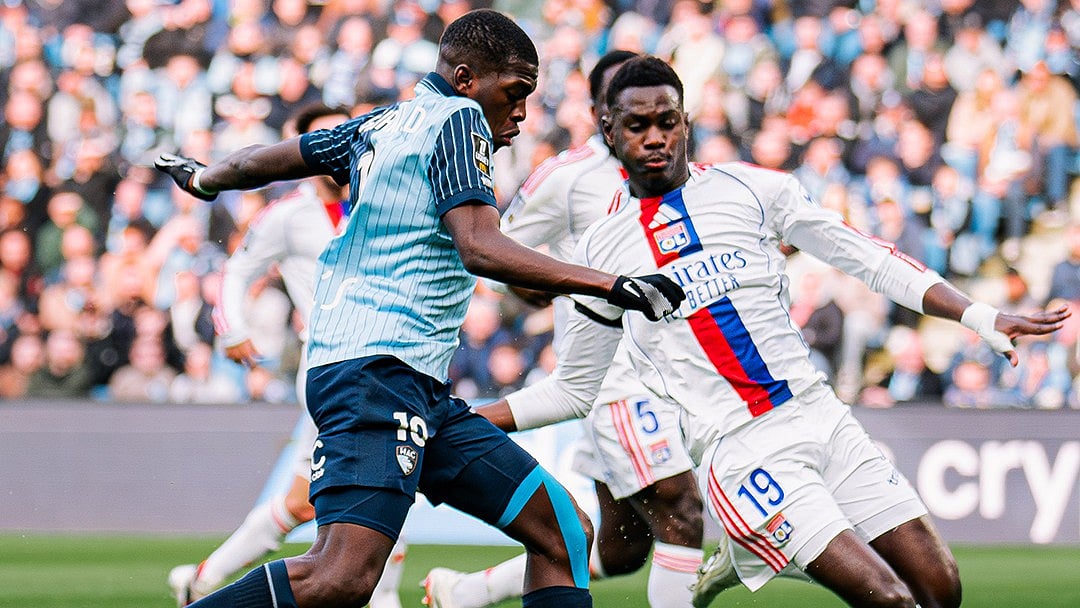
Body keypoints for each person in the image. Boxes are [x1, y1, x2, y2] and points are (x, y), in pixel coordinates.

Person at [473, 56, 1070, 608]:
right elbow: (574, 390)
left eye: (667, 121)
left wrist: (978, 315)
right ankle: (750, 539)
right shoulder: (599, 252)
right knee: (888, 600)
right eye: (636, 125)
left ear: (686, 122)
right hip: (742, 450)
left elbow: (869, 258)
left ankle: (743, 554)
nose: (654, 137)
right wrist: (462, 421)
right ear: (608, 131)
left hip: (821, 416)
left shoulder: (754, 190)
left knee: (942, 590)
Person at [155, 12, 684, 608]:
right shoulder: (461, 123)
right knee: (341, 577)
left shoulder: (385, 123)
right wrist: (612, 284)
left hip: (408, 385)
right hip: (376, 374)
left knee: (561, 529)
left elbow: (270, 159)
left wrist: (206, 178)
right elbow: (480, 246)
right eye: (514, 94)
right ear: (466, 79)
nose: (520, 114)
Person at [422, 50, 705, 608]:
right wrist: (578, 290)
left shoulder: (677, 176)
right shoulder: (569, 177)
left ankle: (467, 593)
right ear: (604, 111)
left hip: (665, 371)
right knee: (682, 512)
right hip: (614, 373)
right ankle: (442, 437)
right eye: (626, 108)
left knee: (623, 548)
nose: (645, 125)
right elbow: (502, 254)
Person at [166, 104, 407, 607]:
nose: (334, 148)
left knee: (304, 501)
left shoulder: (379, 199)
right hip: (337, 371)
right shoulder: (288, 216)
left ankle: (204, 578)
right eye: (319, 139)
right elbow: (236, 270)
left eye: (341, 133)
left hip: (383, 364)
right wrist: (232, 329)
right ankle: (385, 601)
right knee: (388, 482)